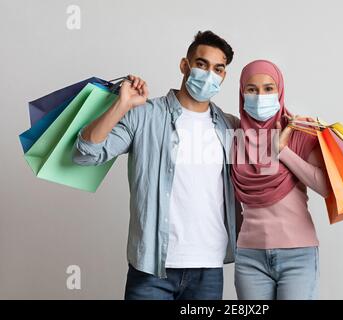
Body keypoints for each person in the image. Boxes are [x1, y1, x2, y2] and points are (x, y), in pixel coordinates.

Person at [72, 30, 240, 300]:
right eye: (201, 64)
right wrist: (122, 105)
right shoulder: (145, 115)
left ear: (224, 75)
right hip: (152, 269)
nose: (209, 74)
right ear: (184, 66)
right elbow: (86, 154)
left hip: (208, 268)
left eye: (218, 69)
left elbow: (268, 164)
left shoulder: (230, 126)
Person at [231, 60, 331, 300]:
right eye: (251, 89)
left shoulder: (300, 130)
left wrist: (282, 151)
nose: (260, 96)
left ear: (280, 90)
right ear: (242, 93)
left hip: (297, 254)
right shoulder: (235, 137)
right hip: (249, 257)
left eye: (268, 88)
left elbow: (326, 187)